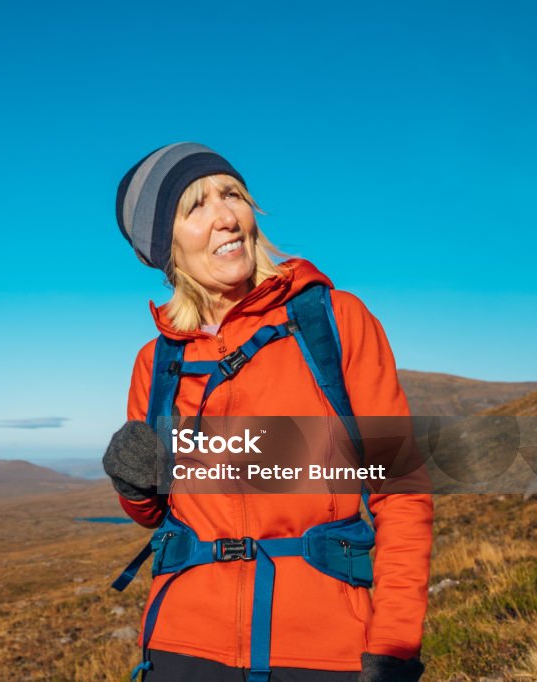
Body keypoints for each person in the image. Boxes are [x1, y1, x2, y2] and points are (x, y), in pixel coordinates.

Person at [104, 143, 433, 682]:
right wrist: (135, 486)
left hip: (322, 651)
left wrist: (394, 645)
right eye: (196, 207)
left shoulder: (336, 322)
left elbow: (401, 490)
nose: (226, 217)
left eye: (232, 194)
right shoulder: (158, 360)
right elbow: (156, 513)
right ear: (166, 247)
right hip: (181, 649)